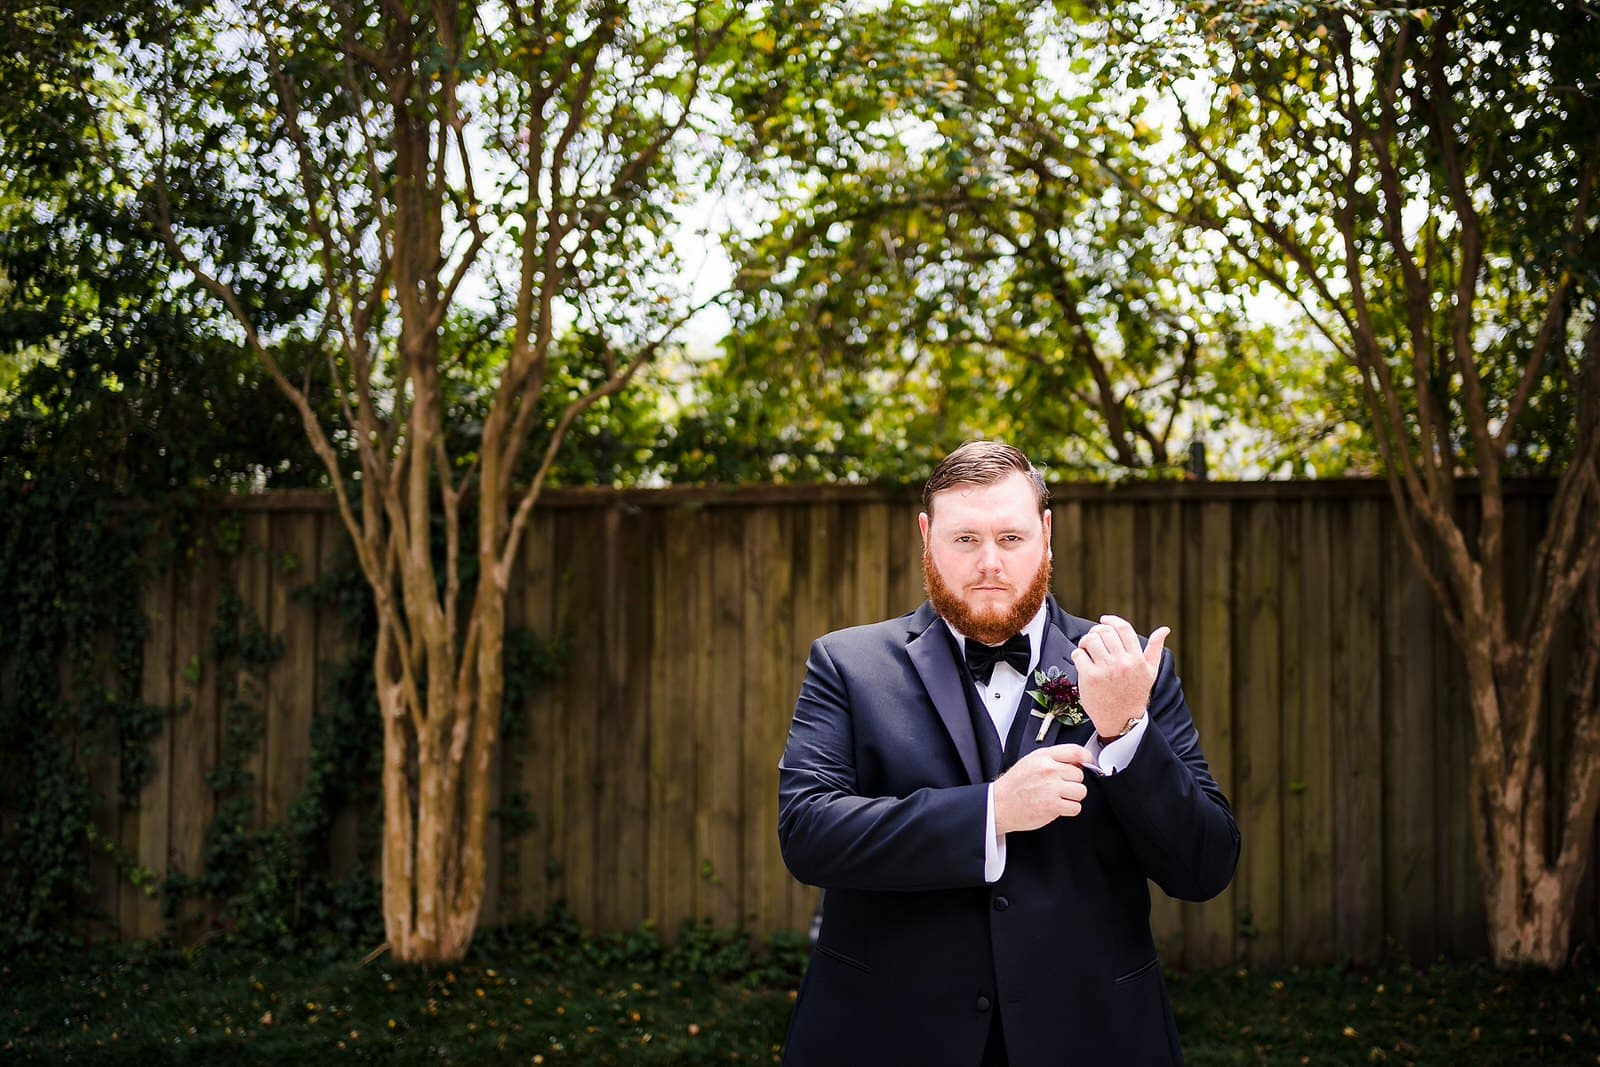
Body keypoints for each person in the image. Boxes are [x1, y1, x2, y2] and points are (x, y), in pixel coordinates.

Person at [777, 441, 1239, 1066]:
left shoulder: (1130, 671)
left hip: (1092, 1038)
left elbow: (1204, 867)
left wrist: (1129, 730)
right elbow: (807, 833)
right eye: (965, 539)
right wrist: (990, 813)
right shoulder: (848, 665)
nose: (989, 563)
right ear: (927, 536)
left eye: (1011, 538)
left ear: (1046, 535)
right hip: (887, 1035)